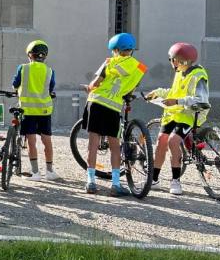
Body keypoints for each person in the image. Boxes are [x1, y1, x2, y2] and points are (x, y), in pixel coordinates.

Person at [83, 33, 147, 196]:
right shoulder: (140, 68)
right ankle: (116, 184)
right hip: (113, 107)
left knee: (93, 144)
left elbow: (96, 83)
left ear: (116, 50)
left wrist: (89, 87)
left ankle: (90, 182)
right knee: (114, 146)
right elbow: (132, 87)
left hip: (96, 102)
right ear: (131, 50)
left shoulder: (109, 62)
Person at [146, 43, 209, 195]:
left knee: (173, 141)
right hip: (173, 113)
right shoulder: (180, 72)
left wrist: (176, 102)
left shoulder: (198, 75)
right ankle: (154, 180)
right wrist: (158, 92)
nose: (171, 62)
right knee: (161, 140)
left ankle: (175, 181)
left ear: (178, 60)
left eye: (172, 59)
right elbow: (174, 92)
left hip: (190, 115)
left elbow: (201, 100)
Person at [12, 40, 58, 181]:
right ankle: (50, 171)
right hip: (44, 110)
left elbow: (15, 84)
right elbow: (50, 88)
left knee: (31, 141)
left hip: (28, 110)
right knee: (47, 140)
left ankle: (35, 173)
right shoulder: (49, 71)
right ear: (44, 56)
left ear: (30, 55)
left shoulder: (23, 68)